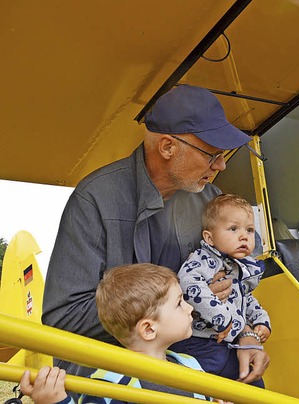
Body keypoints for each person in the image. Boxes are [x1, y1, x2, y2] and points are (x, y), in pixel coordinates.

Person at [42, 84, 268, 383]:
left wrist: (246, 334)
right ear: (167, 147)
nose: (221, 165)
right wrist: (180, 297)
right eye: (212, 154)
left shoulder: (210, 199)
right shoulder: (94, 199)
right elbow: (64, 316)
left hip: (196, 354)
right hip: (118, 369)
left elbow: (240, 274)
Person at [20, 264, 224, 403]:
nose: (189, 308)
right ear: (149, 329)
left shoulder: (190, 364)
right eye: (179, 303)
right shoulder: (109, 385)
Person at [171, 194, 271, 388]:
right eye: (233, 229)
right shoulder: (203, 259)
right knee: (202, 388)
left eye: (249, 230)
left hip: (226, 344)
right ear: (209, 237)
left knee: (255, 384)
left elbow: (245, 297)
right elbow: (189, 285)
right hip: (198, 343)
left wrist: (260, 319)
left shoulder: (240, 266)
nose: (244, 236)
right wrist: (223, 318)